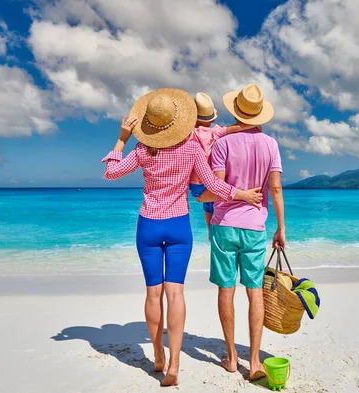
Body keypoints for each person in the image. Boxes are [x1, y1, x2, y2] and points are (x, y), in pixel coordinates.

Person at [101, 88, 263, 387]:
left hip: (148, 224)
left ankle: (158, 357)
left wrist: (122, 138)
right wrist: (241, 194)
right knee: (175, 294)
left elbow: (111, 173)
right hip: (178, 226)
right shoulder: (191, 149)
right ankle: (174, 365)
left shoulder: (141, 150)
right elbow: (212, 183)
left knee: (153, 293)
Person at [196, 83, 286, 380]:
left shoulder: (222, 145)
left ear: (237, 112)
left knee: (226, 289)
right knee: (254, 292)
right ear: (259, 114)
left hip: (224, 225)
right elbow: (274, 188)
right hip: (255, 228)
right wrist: (281, 227)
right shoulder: (271, 145)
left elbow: (217, 189)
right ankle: (256, 362)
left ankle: (232, 357)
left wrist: (199, 198)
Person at [188, 92, 256, 240]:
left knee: (204, 203)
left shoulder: (189, 134)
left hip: (195, 182)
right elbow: (235, 128)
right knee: (214, 203)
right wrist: (253, 124)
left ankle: (209, 230)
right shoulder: (215, 132)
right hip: (213, 179)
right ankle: (216, 227)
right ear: (212, 118)